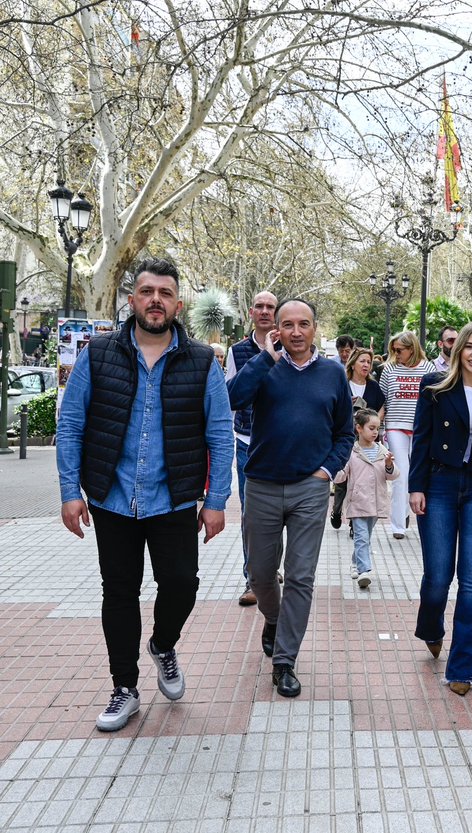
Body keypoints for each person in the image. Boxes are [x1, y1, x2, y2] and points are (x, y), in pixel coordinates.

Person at [56, 258, 233, 731]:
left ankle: (162, 644)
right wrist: (69, 491)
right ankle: (124, 688)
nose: (156, 300)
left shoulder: (201, 361)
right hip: (111, 498)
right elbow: (71, 423)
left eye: (166, 293)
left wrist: (216, 501)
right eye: (148, 291)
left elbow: (220, 431)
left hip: (173, 498)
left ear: (178, 303)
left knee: (182, 584)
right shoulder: (98, 353)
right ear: (132, 298)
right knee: (119, 592)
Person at [228, 298, 354, 698]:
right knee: (261, 575)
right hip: (261, 485)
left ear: (315, 328)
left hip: (309, 489)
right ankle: (274, 618)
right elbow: (231, 399)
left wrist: (327, 470)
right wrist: (265, 359)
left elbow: (345, 433)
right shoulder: (266, 367)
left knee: (301, 576)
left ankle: (285, 661)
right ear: (275, 330)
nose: (295, 332)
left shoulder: (333, 372)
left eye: (304, 324)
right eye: (287, 325)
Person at [409, 322, 472, 697]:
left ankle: (463, 668)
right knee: (438, 577)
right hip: (439, 483)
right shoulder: (435, 388)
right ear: (457, 351)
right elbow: (420, 439)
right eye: (469, 347)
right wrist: (415, 486)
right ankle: (432, 627)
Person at [226, 290, 279, 606]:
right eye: (259, 306)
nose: (264, 311)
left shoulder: (288, 347)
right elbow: (229, 396)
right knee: (251, 515)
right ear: (250, 311)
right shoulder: (237, 351)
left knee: (280, 512)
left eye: (270, 306)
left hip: (281, 444)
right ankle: (253, 579)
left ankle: (270, 570)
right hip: (246, 443)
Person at [379, 331, 434, 539]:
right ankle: (398, 525)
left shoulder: (429, 368)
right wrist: (379, 428)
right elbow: (383, 399)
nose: (396, 353)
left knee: (420, 474)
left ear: (412, 348)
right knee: (401, 474)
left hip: (421, 427)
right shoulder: (389, 369)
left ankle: (420, 518)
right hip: (395, 425)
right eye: (394, 350)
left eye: (400, 350)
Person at [334, 409, 397, 589]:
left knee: (365, 537)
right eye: (371, 428)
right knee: (361, 536)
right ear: (359, 428)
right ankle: (364, 571)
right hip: (358, 501)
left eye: (377, 428)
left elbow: (393, 475)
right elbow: (341, 476)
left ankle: (355, 563)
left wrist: (389, 465)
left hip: (376, 502)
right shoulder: (351, 452)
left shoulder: (382, 450)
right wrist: (331, 470)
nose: (375, 432)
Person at [330, 347, 386, 530]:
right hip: (345, 436)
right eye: (362, 361)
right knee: (343, 477)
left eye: (369, 362)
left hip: (366, 440)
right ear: (353, 363)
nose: (366, 365)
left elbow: (382, 406)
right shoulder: (342, 383)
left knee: (362, 480)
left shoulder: (374, 386)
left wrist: (374, 425)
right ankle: (337, 510)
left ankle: (356, 522)